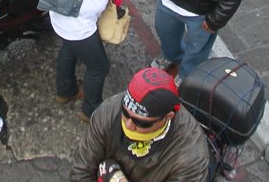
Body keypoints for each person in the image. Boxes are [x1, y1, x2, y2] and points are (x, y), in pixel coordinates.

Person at [67, 67, 210, 182]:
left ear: (168, 117)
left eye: (140, 122)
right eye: (125, 112)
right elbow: (81, 170)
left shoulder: (190, 157)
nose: (128, 125)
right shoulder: (109, 111)